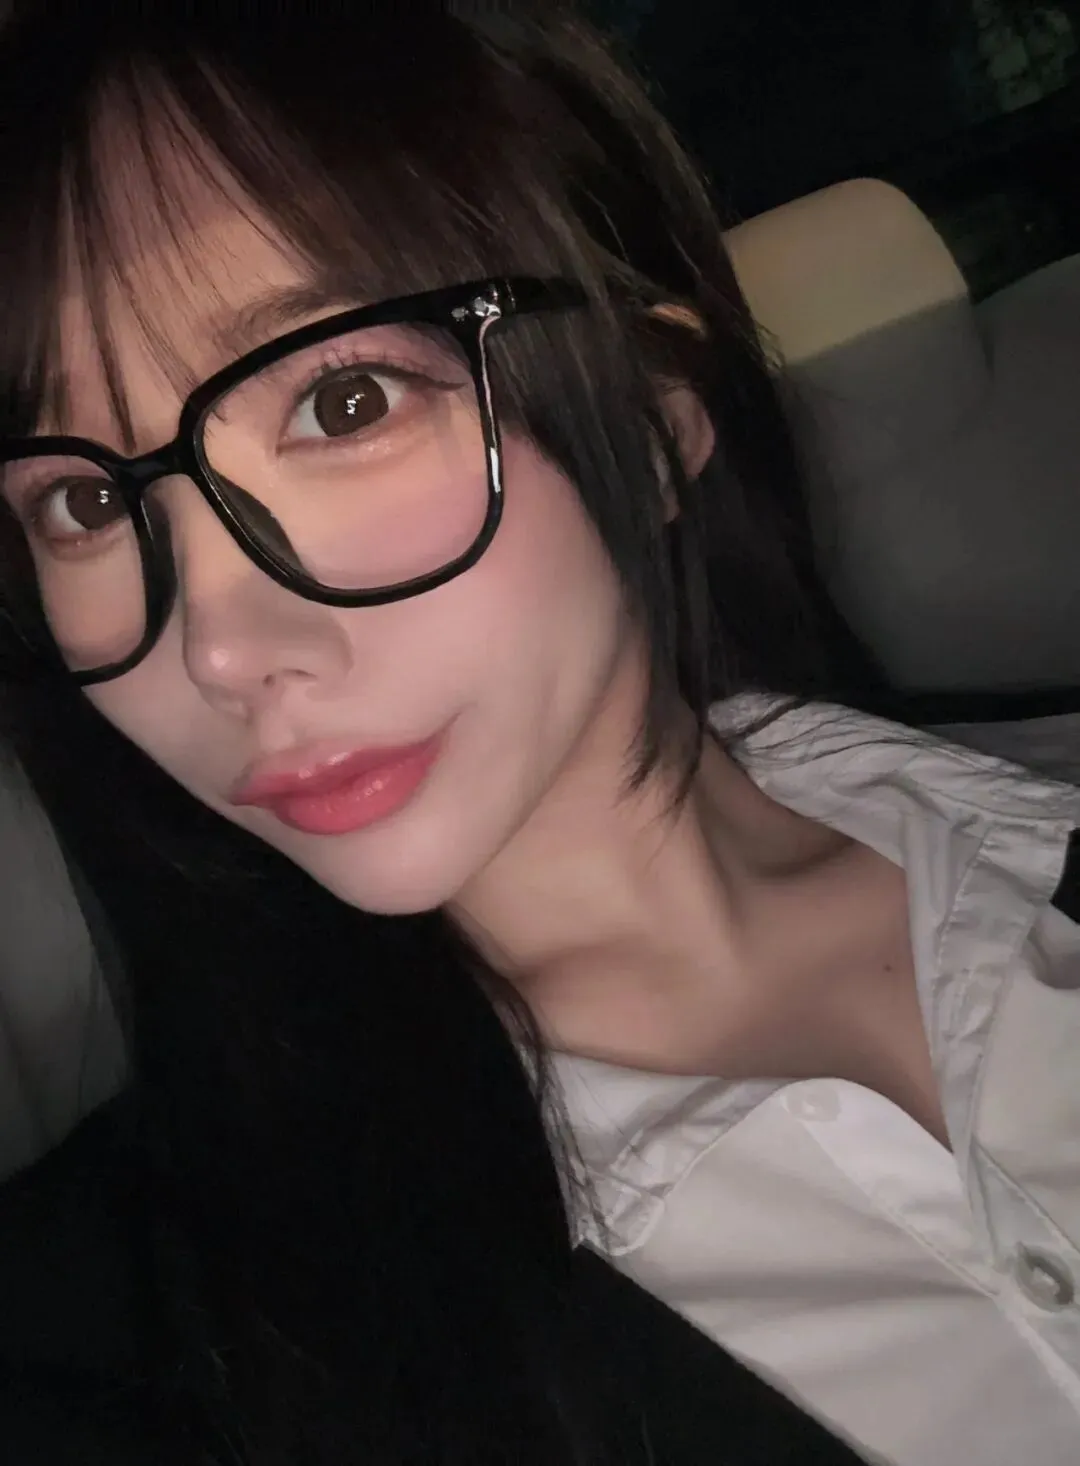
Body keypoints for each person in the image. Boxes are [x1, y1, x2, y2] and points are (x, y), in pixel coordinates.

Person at [0, 4, 1078, 1465]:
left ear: (651, 413)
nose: (220, 648)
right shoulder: (111, 1336)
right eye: (86, 502)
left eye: (344, 400)